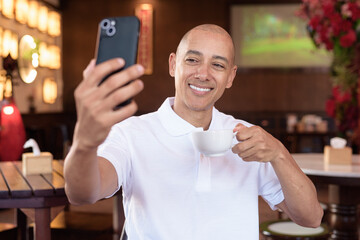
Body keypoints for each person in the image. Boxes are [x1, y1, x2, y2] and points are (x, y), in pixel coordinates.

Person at [64, 24, 323, 239]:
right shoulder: (131, 133)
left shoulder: (247, 137)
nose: (203, 73)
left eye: (218, 65)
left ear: (230, 77)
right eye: (192, 60)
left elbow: (311, 217)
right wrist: (85, 142)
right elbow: (83, 193)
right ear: (173, 64)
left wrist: (278, 153)